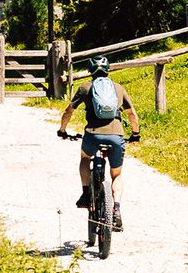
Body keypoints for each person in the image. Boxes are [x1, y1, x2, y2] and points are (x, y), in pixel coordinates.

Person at [58, 56, 140, 230]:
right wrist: (135, 134)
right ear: (108, 70)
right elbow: (131, 114)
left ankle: (86, 193)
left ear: (90, 71)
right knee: (116, 175)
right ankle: (116, 209)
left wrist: (62, 130)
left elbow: (68, 112)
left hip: (93, 136)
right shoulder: (118, 88)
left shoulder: (85, 87)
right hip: (116, 136)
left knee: (85, 158)